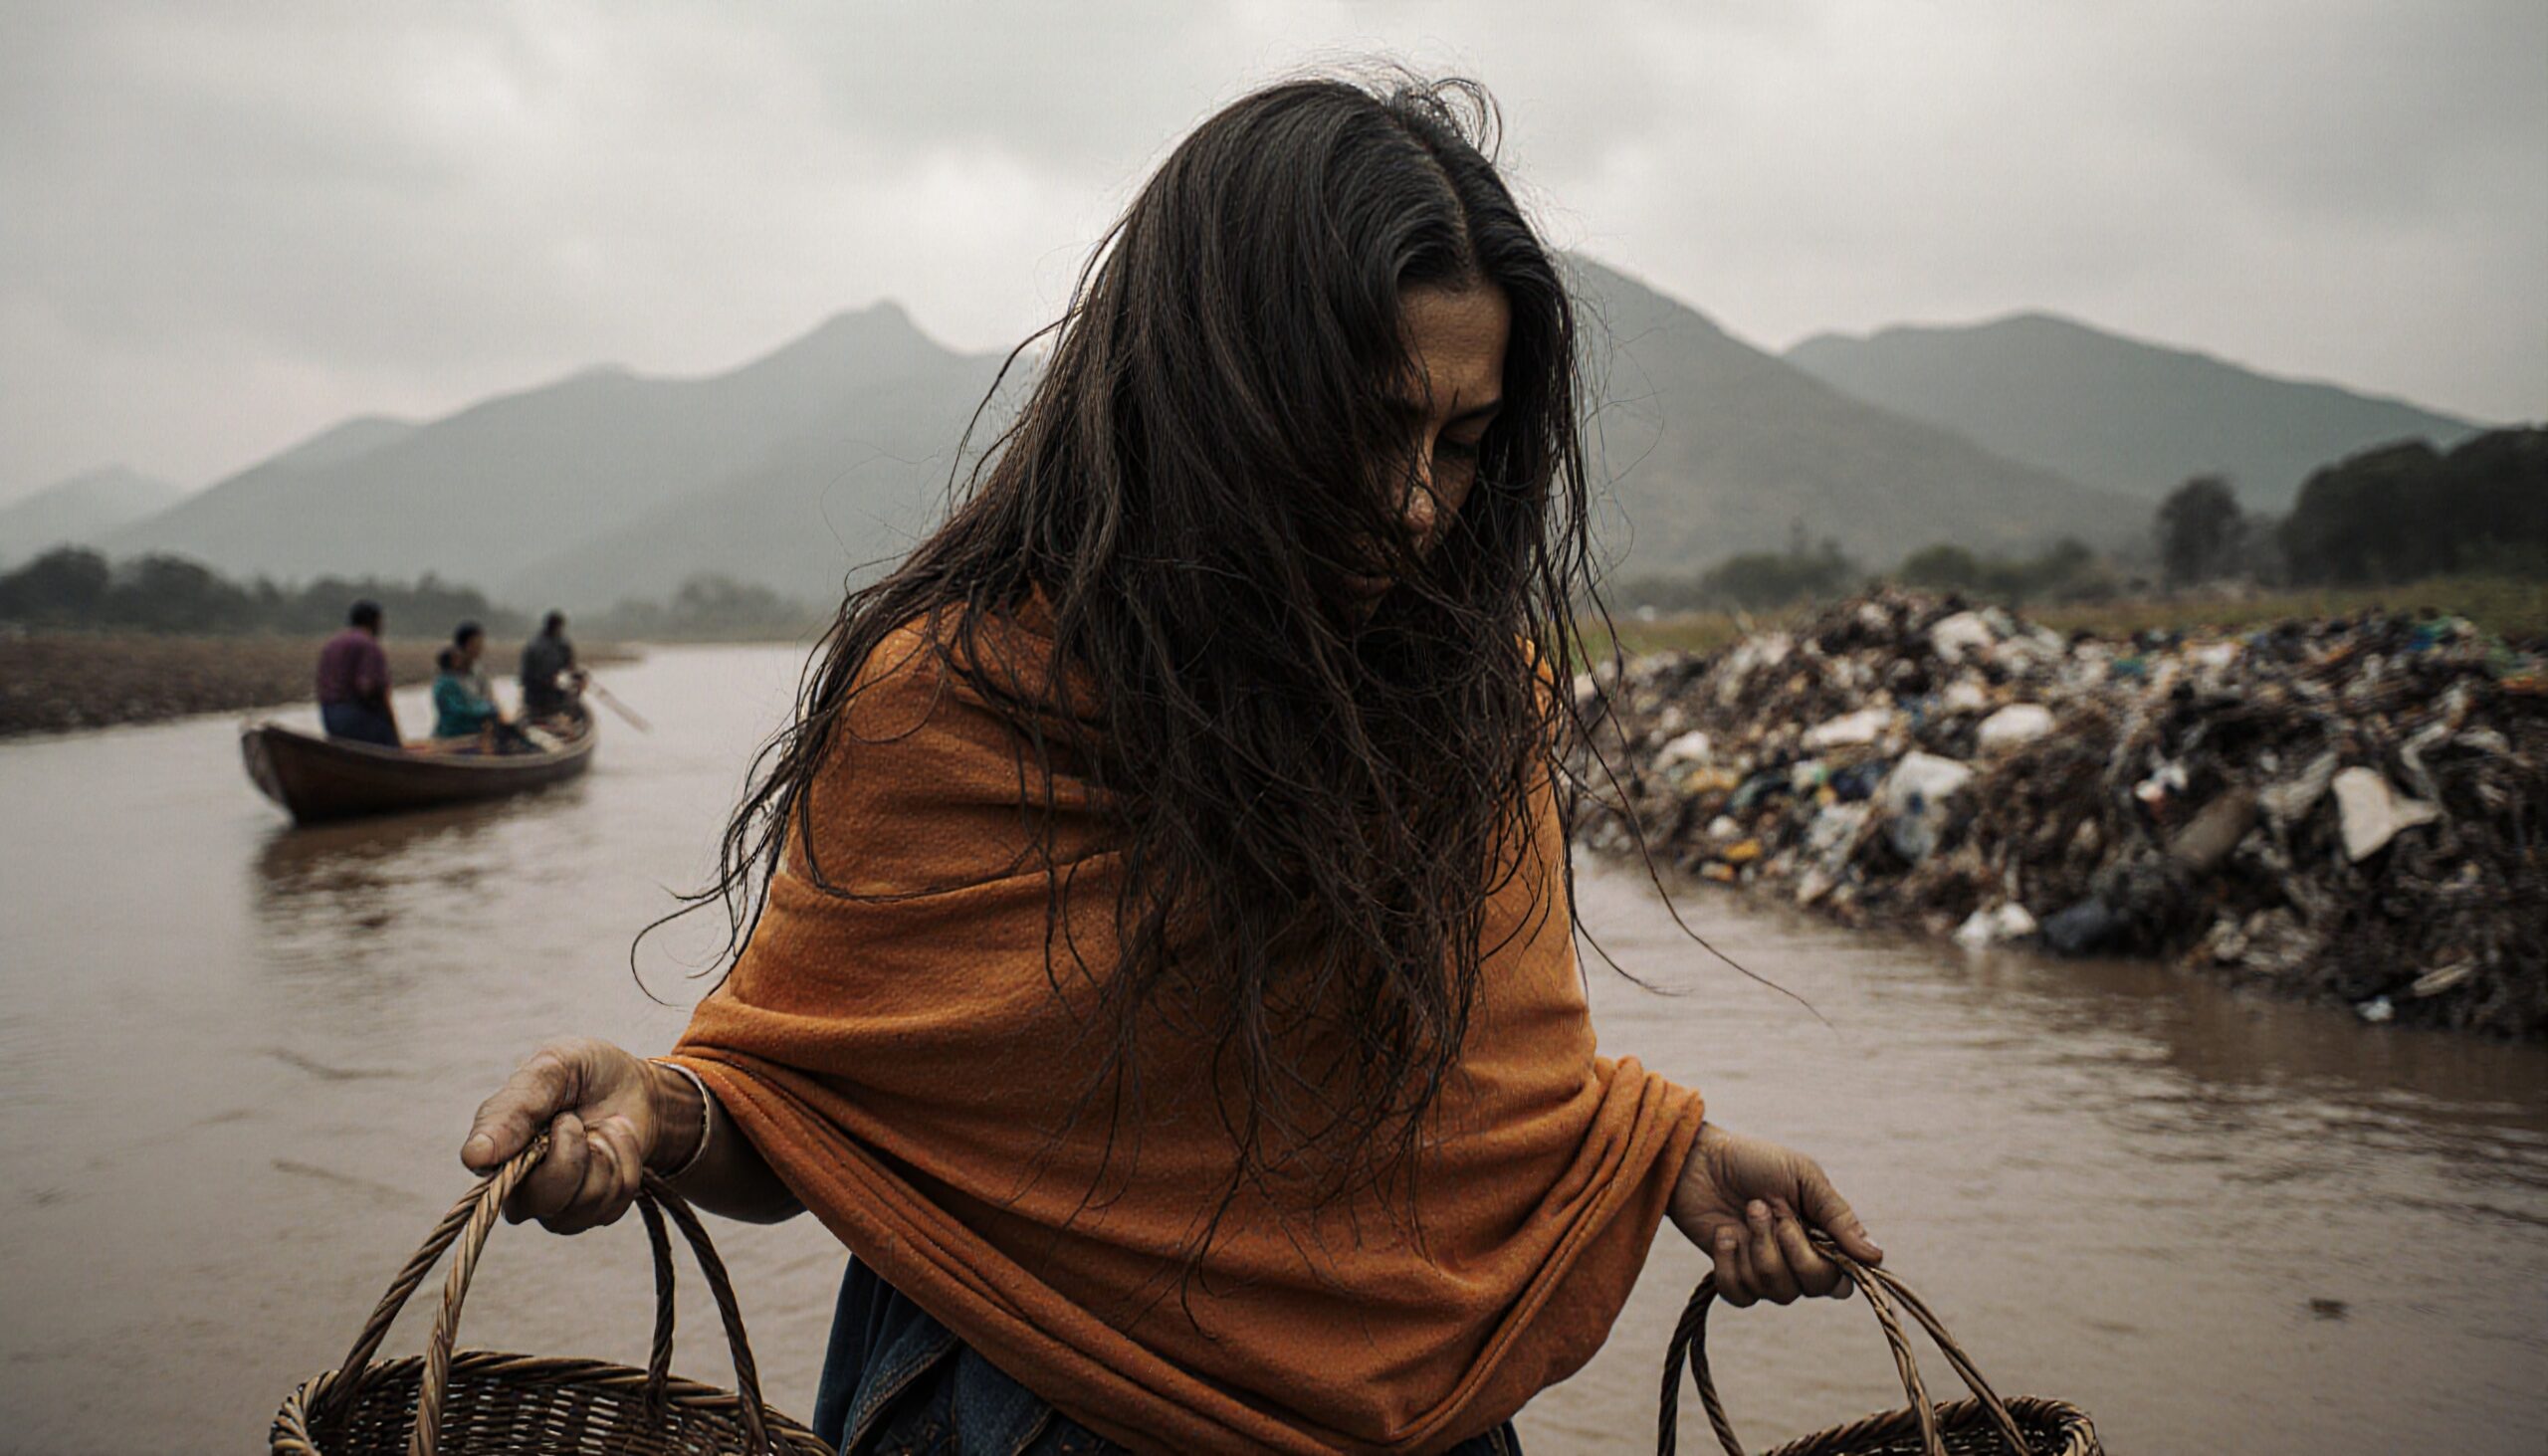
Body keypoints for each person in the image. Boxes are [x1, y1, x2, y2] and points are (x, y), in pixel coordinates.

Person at [464, 76, 1881, 1456]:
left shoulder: (1467, 710)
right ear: (1215, 399)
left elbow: (1487, 1090)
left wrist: (1661, 1162)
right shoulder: (951, 706)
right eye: (1371, 426)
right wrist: (659, 1109)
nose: (1414, 505)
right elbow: (809, 1112)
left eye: (1465, 443)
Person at [314, 599, 398, 746]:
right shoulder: (368, 644)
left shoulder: (332, 643)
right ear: (374, 622)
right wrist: (393, 731)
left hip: (328, 715)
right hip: (353, 717)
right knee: (387, 737)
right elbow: (369, 688)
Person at [430, 641, 501, 741]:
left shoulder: (449, 681)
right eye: (457, 659)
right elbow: (459, 709)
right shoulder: (447, 683)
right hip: (454, 730)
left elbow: (467, 703)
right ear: (451, 662)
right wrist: (487, 709)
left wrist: (486, 707)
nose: (460, 661)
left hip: (454, 726)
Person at [519, 610, 581, 721]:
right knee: (566, 702)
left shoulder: (559, 643)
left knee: (568, 694)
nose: (561, 631)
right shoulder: (539, 646)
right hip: (539, 692)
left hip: (538, 690)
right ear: (557, 627)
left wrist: (577, 676)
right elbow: (539, 675)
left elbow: (570, 664)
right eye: (561, 628)